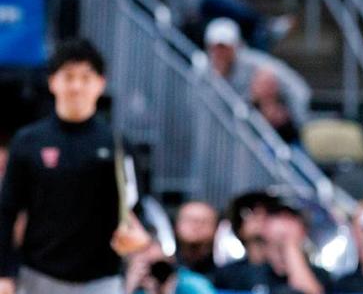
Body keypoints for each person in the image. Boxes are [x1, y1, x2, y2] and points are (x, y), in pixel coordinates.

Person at [0, 39, 149, 294]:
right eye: (68, 76)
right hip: (38, 275)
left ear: (101, 84)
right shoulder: (28, 141)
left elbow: (135, 209)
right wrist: (4, 273)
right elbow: (6, 211)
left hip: (100, 280)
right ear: (52, 81)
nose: (77, 86)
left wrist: (137, 237)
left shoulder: (117, 145)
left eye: (86, 77)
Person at [124, 237, 215, 294]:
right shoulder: (131, 287)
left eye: (160, 266)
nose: (157, 273)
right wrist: (129, 288)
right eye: (147, 266)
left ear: (170, 260)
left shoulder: (193, 284)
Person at [173, 202, 218, 278]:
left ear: (216, 228)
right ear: (175, 226)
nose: (196, 226)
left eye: (204, 221)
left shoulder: (228, 275)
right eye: (189, 220)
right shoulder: (161, 270)